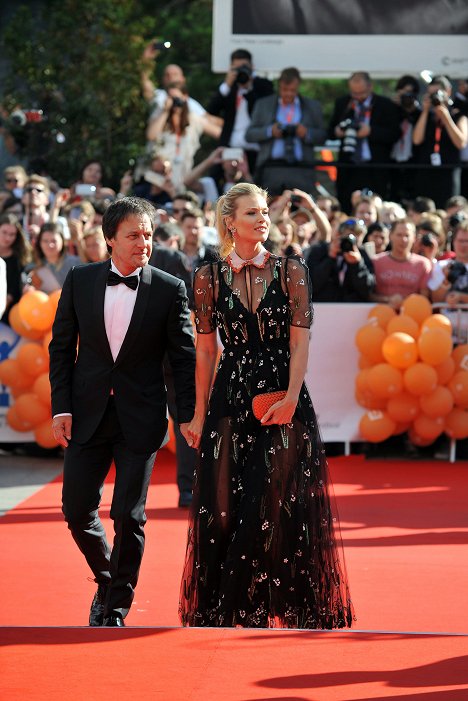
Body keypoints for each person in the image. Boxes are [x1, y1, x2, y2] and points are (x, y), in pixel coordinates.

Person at [179, 182, 354, 628]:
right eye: (252, 213)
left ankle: (271, 604)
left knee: (273, 496)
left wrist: (293, 397)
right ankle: (232, 606)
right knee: (225, 501)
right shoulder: (206, 278)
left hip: (282, 393)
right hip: (231, 397)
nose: (262, 219)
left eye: (265, 213)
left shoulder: (290, 271)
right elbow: (205, 351)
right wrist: (199, 413)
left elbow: (300, 341)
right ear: (229, 222)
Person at [49, 196, 196, 627]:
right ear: (110, 239)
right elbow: (61, 350)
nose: (143, 243)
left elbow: (183, 359)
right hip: (87, 413)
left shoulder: (170, 289)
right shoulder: (80, 280)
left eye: (148, 235)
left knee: (128, 518)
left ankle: (114, 609)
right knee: (77, 510)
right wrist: (61, 407)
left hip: (141, 417)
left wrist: (186, 415)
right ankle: (108, 577)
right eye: (133, 235)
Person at [245, 67, 326, 194]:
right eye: (284, 90)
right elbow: (249, 135)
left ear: (299, 86)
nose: (288, 94)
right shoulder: (263, 104)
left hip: (302, 169)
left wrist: (306, 133)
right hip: (271, 168)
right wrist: (270, 131)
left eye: (292, 90)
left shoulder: (312, 106)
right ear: (279, 86)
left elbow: (323, 136)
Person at [329, 72, 401, 213]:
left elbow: (395, 134)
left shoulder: (385, 105)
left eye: (361, 93)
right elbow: (330, 131)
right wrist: (338, 131)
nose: (357, 97)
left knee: (376, 206)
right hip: (349, 166)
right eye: (354, 93)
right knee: (347, 206)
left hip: (375, 166)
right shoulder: (343, 103)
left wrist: (371, 131)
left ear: (370, 87)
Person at [206, 48, 274, 174]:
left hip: (255, 148)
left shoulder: (263, 85)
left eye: (244, 67)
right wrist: (226, 85)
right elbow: (212, 110)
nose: (240, 71)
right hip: (230, 146)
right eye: (236, 68)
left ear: (252, 67)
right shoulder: (230, 87)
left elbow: (262, 112)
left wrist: (248, 89)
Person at [412, 75, 468, 208]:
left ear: (447, 92)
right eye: (430, 94)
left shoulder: (458, 115)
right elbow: (416, 139)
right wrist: (425, 111)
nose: (434, 97)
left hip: (448, 172)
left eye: (436, 93)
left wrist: (445, 116)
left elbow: (460, 142)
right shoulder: (426, 116)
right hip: (426, 171)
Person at [370, 219, 432, 309]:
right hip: (381, 315)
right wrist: (388, 299)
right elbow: (368, 295)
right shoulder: (376, 261)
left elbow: (424, 298)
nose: (403, 240)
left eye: (407, 235)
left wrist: (405, 302)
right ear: (391, 236)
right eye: (399, 235)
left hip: (411, 316)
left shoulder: (423, 264)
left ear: (414, 238)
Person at [30, 222, 83, 293]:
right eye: (45, 241)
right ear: (40, 243)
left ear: (63, 242)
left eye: (54, 241)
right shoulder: (34, 266)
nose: (50, 245)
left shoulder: (75, 263)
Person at [0, 213, 32, 322]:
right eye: (4, 232)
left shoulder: (19, 258)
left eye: (12, 234)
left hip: (9, 312)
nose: (7, 238)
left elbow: (13, 291)